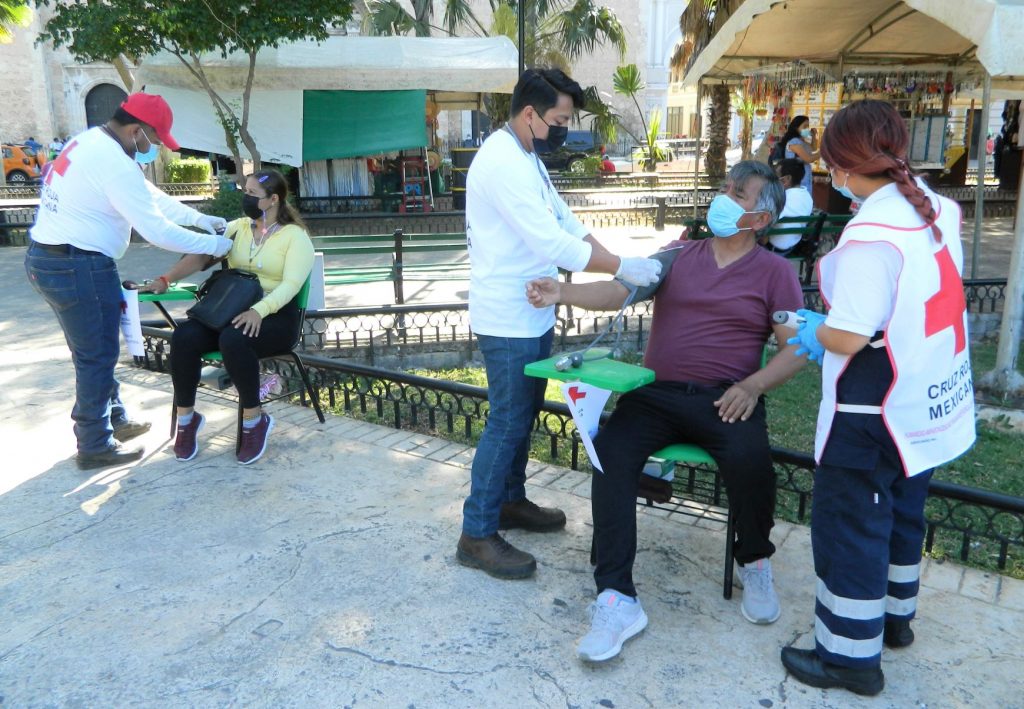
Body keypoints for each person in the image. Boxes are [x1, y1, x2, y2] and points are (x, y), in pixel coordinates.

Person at [526, 160, 806, 661]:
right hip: (656, 395)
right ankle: (617, 598)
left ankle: (755, 560)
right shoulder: (677, 257)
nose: (723, 197)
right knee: (610, 455)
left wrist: (753, 386)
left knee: (752, 464)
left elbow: (796, 348)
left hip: (726, 397)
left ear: (761, 219)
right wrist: (562, 291)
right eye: (726, 187)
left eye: (738, 194)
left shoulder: (776, 273)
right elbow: (622, 289)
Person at [781, 100, 976, 696]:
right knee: (901, 513)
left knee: (852, 529)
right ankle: (894, 620)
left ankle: (848, 657)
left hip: (873, 411)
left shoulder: (871, 236)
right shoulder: (936, 207)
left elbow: (849, 336)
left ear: (841, 166)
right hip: (925, 402)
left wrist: (811, 329)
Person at [457, 67, 663, 580]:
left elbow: (566, 223)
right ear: (530, 114)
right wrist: (621, 267)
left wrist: (619, 263)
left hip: (532, 310)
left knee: (523, 413)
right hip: (507, 317)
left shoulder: (527, 155)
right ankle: (476, 532)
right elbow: (552, 244)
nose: (564, 130)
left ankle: (509, 501)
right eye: (560, 120)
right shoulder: (502, 161)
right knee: (507, 420)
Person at [25, 93, 232, 471]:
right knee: (97, 355)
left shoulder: (92, 142)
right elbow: (157, 231)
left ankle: (114, 418)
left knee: (92, 348)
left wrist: (199, 219)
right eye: (154, 139)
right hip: (78, 266)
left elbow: (149, 196)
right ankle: (94, 444)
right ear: (137, 130)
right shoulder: (113, 162)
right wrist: (214, 244)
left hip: (51, 261)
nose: (154, 147)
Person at [142, 169, 314, 466]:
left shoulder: (295, 237)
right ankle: (187, 419)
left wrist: (259, 311)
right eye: (244, 191)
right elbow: (202, 254)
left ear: (274, 199)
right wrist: (166, 279)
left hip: (276, 315)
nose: (246, 198)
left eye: (252, 194)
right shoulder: (238, 228)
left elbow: (291, 285)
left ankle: (254, 420)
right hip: (231, 309)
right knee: (184, 336)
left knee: (234, 339)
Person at [765, 158, 814, 254]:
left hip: (774, 249)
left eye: (776, 175)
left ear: (787, 179)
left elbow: (764, 223)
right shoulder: (807, 197)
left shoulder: (782, 198)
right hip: (792, 246)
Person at [779, 115, 819, 191]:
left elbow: (813, 149)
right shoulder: (794, 142)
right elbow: (808, 159)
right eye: (804, 126)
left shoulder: (802, 141)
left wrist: (814, 136)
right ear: (796, 128)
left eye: (808, 126)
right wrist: (823, 152)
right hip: (797, 179)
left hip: (804, 177)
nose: (807, 129)